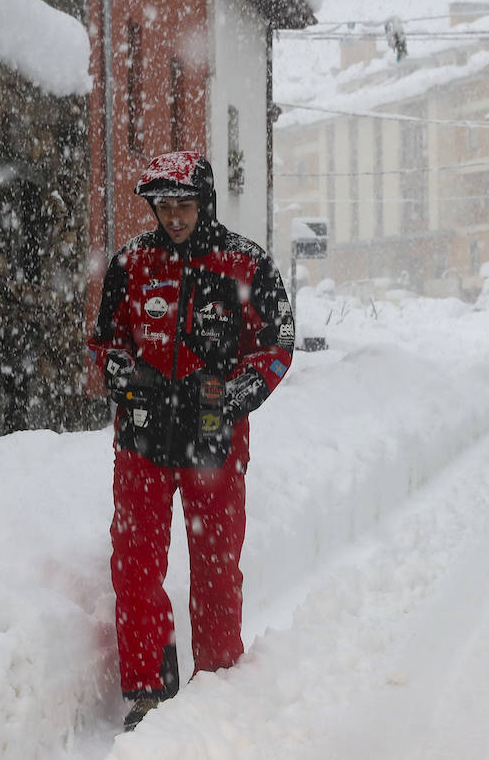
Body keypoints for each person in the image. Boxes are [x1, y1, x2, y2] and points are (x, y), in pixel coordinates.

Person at [87, 150, 295, 731]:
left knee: (215, 565)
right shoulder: (131, 264)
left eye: (183, 205)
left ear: (204, 202)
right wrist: (123, 374)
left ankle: (219, 682)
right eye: (164, 206)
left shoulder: (246, 264)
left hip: (214, 440)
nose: (173, 217)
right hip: (142, 439)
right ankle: (150, 688)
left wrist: (235, 395)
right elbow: (105, 342)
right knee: (135, 566)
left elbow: (278, 346)